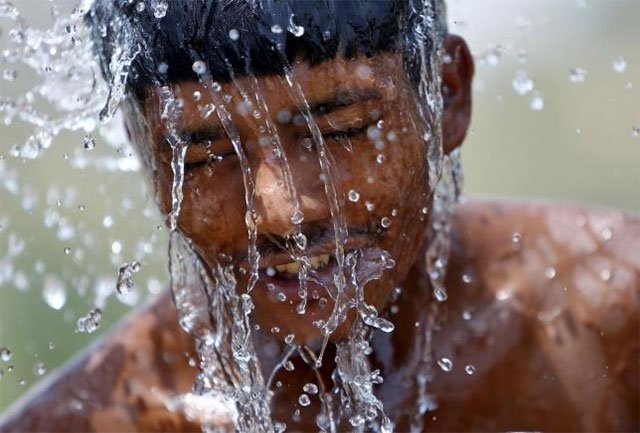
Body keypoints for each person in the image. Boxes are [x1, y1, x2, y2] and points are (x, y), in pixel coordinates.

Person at [0, 0, 638, 432]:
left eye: (340, 131)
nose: (279, 212)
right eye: (205, 156)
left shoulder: (611, 322)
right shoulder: (96, 419)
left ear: (446, 95)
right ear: (144, 155)